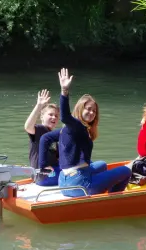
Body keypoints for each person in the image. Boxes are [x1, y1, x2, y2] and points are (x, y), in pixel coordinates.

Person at [39, 68, 131, 197]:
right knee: (125, 171)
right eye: (88, 109)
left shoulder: (67, 129)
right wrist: (64, 91)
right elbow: (64, 116)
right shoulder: (76, 125)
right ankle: (111, 200)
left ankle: (99, 185)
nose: (92, 113)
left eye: (94, 111)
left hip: (63, 182)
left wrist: (42, 168)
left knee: (102, 165)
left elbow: (45, 138)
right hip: (79, 184)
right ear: (81, 109)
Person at [24, 89, 61, 186]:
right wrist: (39, 106)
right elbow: (28, 127)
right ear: (42, 116)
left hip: (52, 173)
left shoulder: (54, 137)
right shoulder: (39, 130)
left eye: (56, 116)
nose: (54, 117)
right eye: (50, 114)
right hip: (44, 176)